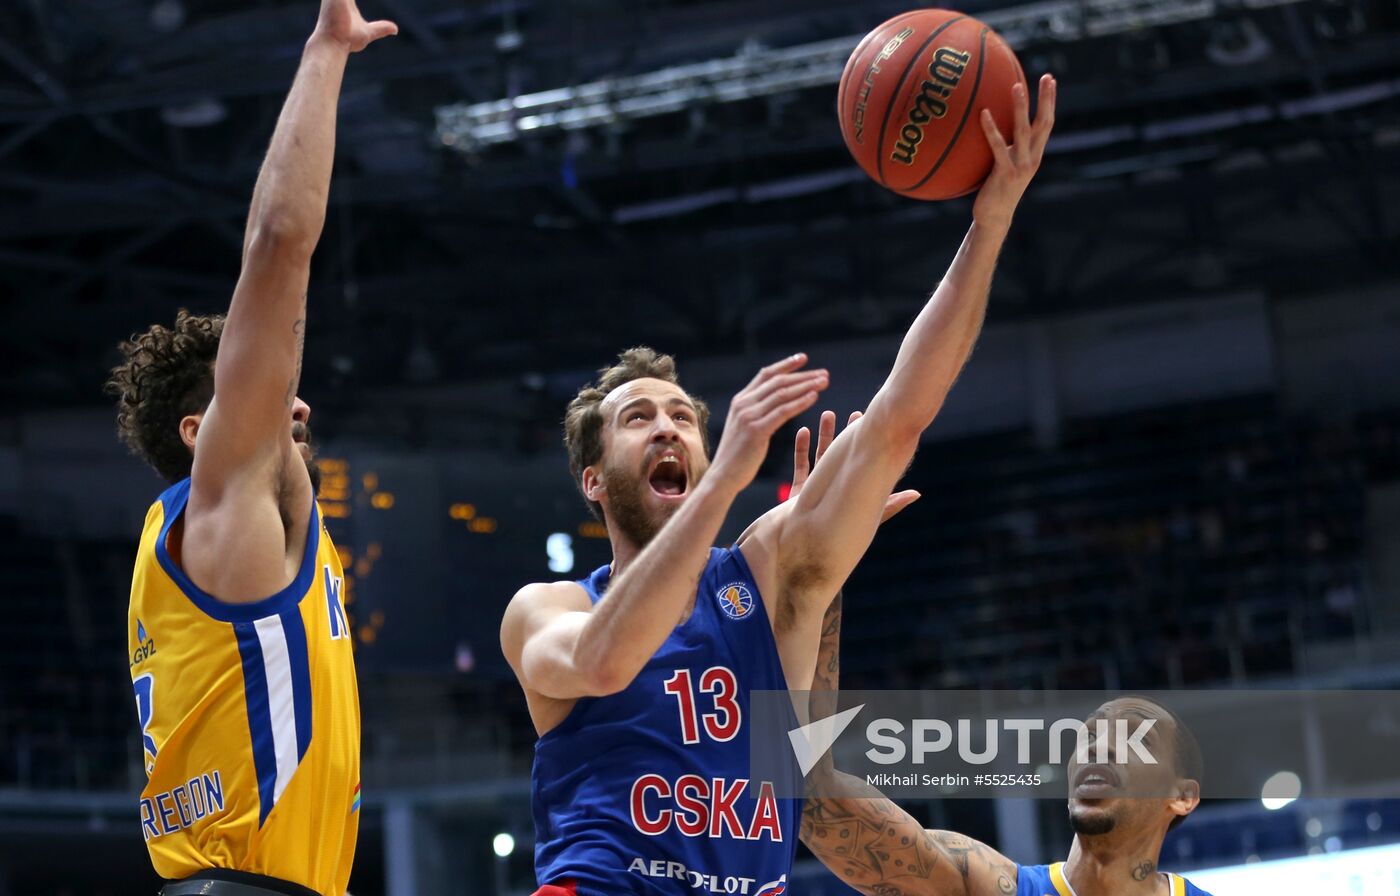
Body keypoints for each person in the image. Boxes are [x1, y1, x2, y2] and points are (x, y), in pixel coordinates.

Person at [500, 74, 1057, 895]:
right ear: (593, 479)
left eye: (683, 417)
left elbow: (899, 417)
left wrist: (989, 225)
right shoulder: (550, 610)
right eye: (638, 419)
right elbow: (607, 660)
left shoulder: (763, 572)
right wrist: (727, 477)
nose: (667, 428)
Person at [104, 3, 396, 894]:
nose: (296, 401)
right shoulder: (228, 503)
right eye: (268, 398)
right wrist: (326, 55)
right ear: (205, 433)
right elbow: (278, 246)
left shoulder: (214, 544)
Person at [798, 591, 1213, 896]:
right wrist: (822, 563)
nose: (1098, 746)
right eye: (1089, 733)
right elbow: (808, 790)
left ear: (1182, 796)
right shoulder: (982, 884)